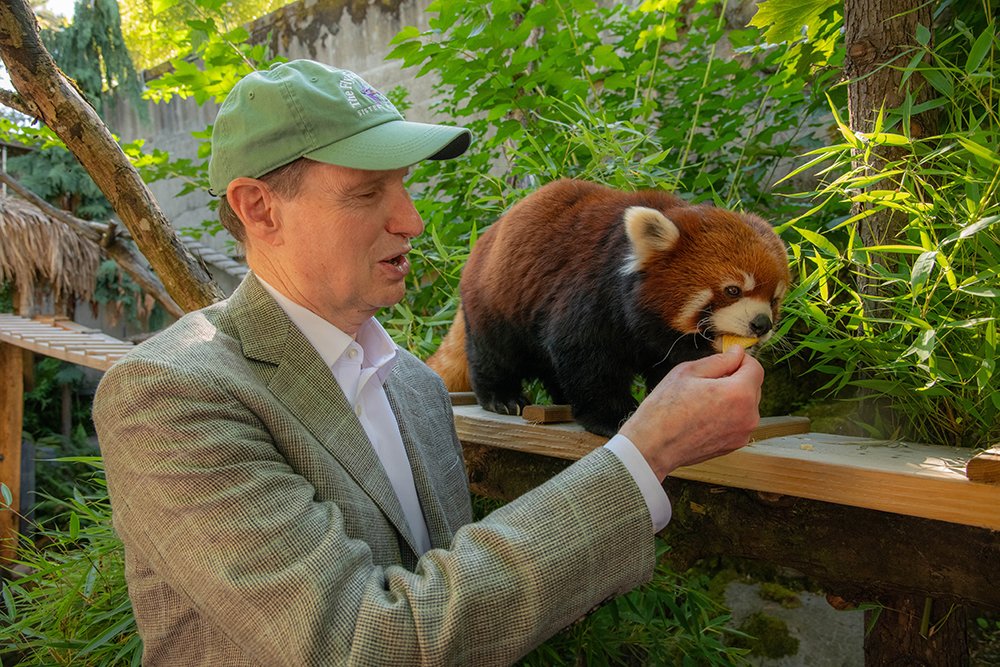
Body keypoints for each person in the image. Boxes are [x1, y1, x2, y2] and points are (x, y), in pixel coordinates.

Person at [93, 59, 764, 666]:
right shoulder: (170, 395)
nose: (412, 220)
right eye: (367, 194)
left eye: (405, 189)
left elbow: (460, 606)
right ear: (258, 208)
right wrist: (642, 454)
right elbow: (362, 644)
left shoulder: (414, 386)